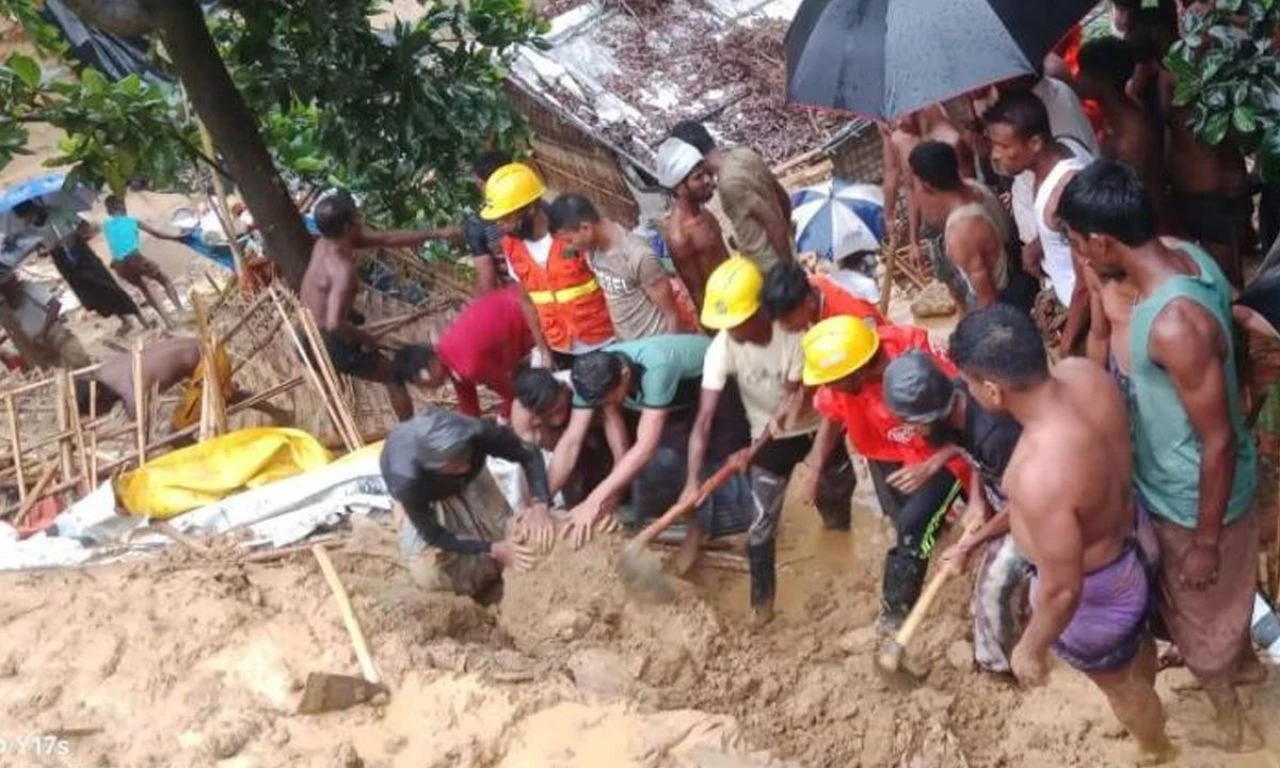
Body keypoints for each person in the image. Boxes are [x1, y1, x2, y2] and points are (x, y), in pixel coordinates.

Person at [1058, 160, 1262, 752]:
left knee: (1198, 609)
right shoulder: (1189, 257)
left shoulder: (1174, 326)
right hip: (1186, 479)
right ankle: (1241, 663)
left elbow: (1218, 439)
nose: (1080, 256)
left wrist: (1202, 541)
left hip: (1195, 495)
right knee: (1217, 604)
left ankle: (1233, 726)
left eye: (1078, 243)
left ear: (1103, 240)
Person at [949, 305, 1175, 764]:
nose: (971, 395)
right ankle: (1141, 695)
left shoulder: (1038, 473)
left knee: (1119, 684)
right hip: (1135, 536)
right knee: (1134, 652)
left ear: (992, 389)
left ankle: (1156, 748)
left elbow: (1061, 590)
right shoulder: (1084, 375)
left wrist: (1029, 649)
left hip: (1098, 591)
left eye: (970, 385)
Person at [681, 257, 856, 624]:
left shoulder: (795, 334)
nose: (730, 332)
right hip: (769, 442)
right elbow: (704, 420)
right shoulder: (722, 348)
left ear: (759, 311)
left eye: (736, 323)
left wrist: (751, 451)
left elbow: (791, 404)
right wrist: (692, 481)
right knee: (760, 526)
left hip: (814, 431)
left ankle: (843, 567)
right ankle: (762, 610)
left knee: (835, 501)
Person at [799, 316, 970, 630]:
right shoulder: (845, 376)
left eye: (833, 382)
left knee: (912, 525)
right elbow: (832, 416)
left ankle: (896, 618)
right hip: (886, 450)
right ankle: (934, 546)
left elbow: (973, 415)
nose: (828, 387)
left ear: (856, 372)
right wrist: (814, 469)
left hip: (945, 454)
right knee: (903, 518)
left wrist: (933, 464)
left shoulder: (918, 355)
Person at [882, 351, 1026, 674]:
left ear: (926, 419)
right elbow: (972, 453)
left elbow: (1023, 506)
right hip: (1006, 492)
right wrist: (977, 501)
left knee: (991, 591)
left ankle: (998, 669)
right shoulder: (956, 394)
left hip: (1036, 509)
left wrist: (967, 546)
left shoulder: (996, 434)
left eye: (910, 424)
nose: (912, 432)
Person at [553, 333, 750, 548]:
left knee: (717, 465)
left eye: (612, 398)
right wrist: (541, 500)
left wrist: (594, 500)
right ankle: (674, 534)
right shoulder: (589, 378)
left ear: (624, 374)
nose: (609, 405)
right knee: (658, 468)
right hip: (672, 403)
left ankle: (742, 530)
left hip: (713, 384)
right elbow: (572, 441)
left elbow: (646, 446)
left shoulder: (656, 369)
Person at [300, 190, 453, 422]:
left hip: (305, 330)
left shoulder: (324, 243)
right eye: (356, 218)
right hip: (326, 340)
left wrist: (436, 233)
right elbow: (333, 323)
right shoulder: (342, 270)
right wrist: (366, 338)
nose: (361, 221)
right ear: (347, 227)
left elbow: (387, 239)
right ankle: (409, 431)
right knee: (394, 377)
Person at [382, 407, 552, 604]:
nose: (465, 466)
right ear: (435, 466)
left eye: (467, 456)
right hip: (427, 496)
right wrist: (493, 548)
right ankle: (476, 593)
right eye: (455, 465)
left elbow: (529, 454)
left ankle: (501, 575)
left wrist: (540, 505)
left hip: (471, 480)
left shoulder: (477, 434)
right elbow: (433, 535)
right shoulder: (407, 481)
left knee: (514, 535)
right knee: (429, 575)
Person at [984, 92, 1094, 353]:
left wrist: (1069, 341)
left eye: (1004, 146)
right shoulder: (1066, 144)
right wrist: (1040, 243)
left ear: (1034, 143)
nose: (996, 155)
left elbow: (1088, 279)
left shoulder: (1065, 189)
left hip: (1084, 316)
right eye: (993, 145)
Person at [480, 163, 616, 367]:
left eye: (506, 217)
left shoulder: (573, 235)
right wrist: (544, 350)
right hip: (561, 347)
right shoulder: (510, 246)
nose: (501, 225)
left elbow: (611, 283)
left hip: (604, 340)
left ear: (530, 210)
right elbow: (526, 300)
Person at [908, 140, 1037, 313]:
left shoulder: (962, 231)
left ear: (926, 184)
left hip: (1005, 304)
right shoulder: (975, 187)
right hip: (1019, 281)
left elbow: (988, 301)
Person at [389, 286, 552, 419]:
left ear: (428, 369)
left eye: (422, 384)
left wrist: (504, 417)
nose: (427, 389)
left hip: (537, 315)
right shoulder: (450, 356)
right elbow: (468, 404)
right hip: (520, 298)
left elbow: (514, 392)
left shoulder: (468, 365)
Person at [548, 194, 689, 339]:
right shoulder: (591, 251)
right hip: (630, 347)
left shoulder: (637, 256)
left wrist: (670, 352)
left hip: (657, 345)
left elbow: (672, 315)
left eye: (569, 240)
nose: (569, 247)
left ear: (585, 227)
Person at [75, 336, 287, 429]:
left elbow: (142, 438)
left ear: (99, 397)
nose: (102, 415)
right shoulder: (106, 371)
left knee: (177, 433)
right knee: (227, 396)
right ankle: (280, 413)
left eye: (98, 411)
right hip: (204, 347)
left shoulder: (131, 394)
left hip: (209, 362)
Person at [670, 121, 793, 274]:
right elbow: (783, 198)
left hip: (771, 270)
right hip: (783, 254)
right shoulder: (744, 154)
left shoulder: (729, 183)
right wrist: (788, 241)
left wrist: (789, 272)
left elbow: (772, 222)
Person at [9, 202, 145, 336]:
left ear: (33, 209)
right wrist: (45, 248)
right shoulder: (30, 228)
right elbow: (39, 247)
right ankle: (124, 320)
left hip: (79, 252)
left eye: (28, 216)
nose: (28, 220)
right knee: (93, 294)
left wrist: (71, 235)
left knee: (107, 285)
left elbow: (85, 226)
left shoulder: (56, 211)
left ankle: (141, 318)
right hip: (63, 261)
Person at [1075, 37, 1165, 228]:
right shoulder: (1118, 112)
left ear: (1101, 79)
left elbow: (1135, 200)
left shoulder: (1130, 137)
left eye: (1083, 72)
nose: (1076, 78)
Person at [880, 108, 978, 269]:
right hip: (936, 228)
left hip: (963, 219)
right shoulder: (898, 139)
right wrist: (913, 240)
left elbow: (967, 182)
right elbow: (909, 188)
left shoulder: (947, 136)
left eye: (898, 117)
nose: (896, 125)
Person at [657, 137, 730, 311]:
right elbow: (699, 294)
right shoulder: (680, 236)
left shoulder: (703, 213)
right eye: (698, 177)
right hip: (725, 311)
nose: (708, 180)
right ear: (679, 188)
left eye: (706, 174)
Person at [102, 195, 187, 329]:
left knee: (144, 289)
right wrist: (176, 238)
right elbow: (157, 234)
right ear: (122, 206)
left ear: (108, 212)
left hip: (119, 265)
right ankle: (181, 311)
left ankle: (167, 321)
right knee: (164, 280)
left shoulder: (105, 226)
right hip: (134, 258)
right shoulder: (132, 221)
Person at [0, 273, 89, 370]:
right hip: (37, 346)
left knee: (80, 363)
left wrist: (44, 330)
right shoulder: (5, 307)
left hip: (54, 333)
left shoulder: (28, 288)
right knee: (58, 373)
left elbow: (55, 305)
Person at [465, 150, 514, 293]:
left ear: (480, 182)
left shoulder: (478, 225)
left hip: (519, 298)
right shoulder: (539, 206)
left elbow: (488, 284)